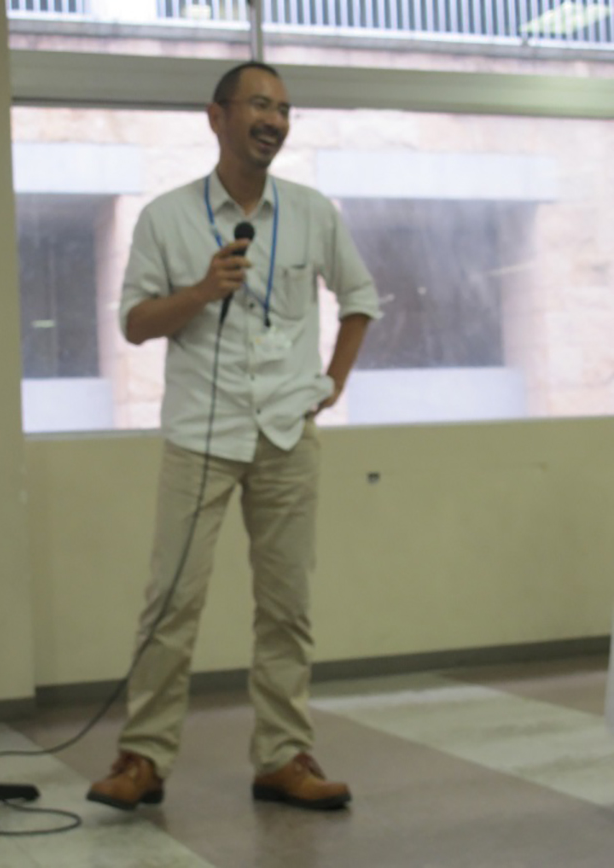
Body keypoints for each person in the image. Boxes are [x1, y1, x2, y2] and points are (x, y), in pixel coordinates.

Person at [87, 60, 381, 812]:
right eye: (258, 104)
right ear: (216, 116)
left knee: (287, 606)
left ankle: (283, 757)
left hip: (286, 433)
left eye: (283, 109)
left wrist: (331, 384)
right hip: (201, 433)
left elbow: (360, 299)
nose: (273, 120)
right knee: (172, 601)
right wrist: (199, 291)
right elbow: (134, 323)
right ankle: (143, 757)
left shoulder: (312, 212)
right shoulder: (167, 217)